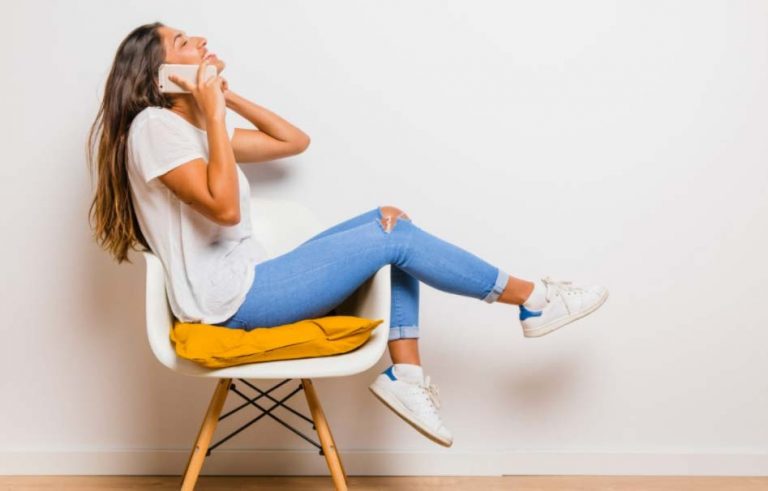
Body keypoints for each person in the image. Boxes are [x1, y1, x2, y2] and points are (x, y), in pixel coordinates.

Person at [87, 22, 609, 449]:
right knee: (394, 239)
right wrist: (214, 116)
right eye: (183, 42)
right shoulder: (154, 127)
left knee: (390, 222)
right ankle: (533, 300)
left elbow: (292, 141)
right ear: (160, 78)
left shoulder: (193, 130)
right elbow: (224, 209)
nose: (200, 39)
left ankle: (407, 380)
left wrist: (225, 100)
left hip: (250, 280)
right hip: (230, 301)